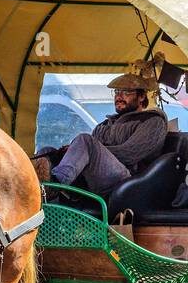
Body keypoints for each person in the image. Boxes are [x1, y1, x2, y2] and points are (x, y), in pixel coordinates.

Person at [34, 73, 168, 198]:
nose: (119, 96)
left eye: (126, 92)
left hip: (128, 180)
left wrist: (93, 149)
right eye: (116, 92)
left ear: (141, 97)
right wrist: (72, 150)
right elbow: (87, 150)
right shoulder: (106, 124)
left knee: (85, 141)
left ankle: (54, 187)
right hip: (96, 175)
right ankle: (33, 189)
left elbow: (130, 154)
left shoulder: (152, 122)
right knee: (47, 152)